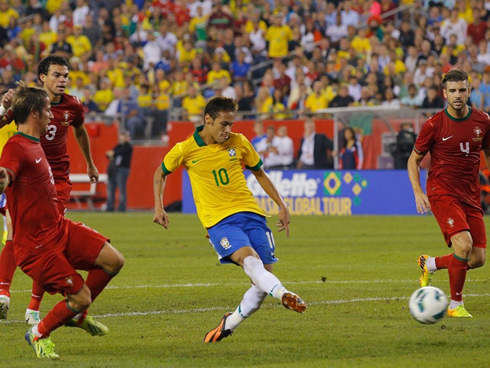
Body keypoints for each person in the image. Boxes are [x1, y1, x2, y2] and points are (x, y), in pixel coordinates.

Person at [153, 97, 306, 343]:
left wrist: (282, 204)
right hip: (220, 222)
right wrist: (159, 206)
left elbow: (260, 173)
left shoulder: (240, 142)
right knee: (251, 263)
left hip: (252, 215)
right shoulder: (186, 148)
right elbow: (160, 172)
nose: (228, 130)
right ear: (208, 120)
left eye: (231, 125)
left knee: (260, 281)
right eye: (224, 124)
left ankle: (229, 322)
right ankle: (284, 294)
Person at [0, 84, 124, 358]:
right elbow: (5, 175)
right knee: (81, 297)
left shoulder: (35, 143)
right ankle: (38, 332)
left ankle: (74, 313)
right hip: (36, 247)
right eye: (46, 111)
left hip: (58, 230)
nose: (51, 115)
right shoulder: (16, 147)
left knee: (114, 260)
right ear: (34, 114)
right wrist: (2, 178)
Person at [0, 55, 100, 325]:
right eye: (57, 74)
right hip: (25, 175)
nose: (63, 80)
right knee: (13, 229)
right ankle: (3, 293)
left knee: (48, 239)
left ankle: (33, 308)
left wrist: (90, 163)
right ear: (42, 77)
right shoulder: (29, 101)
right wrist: (3, 106)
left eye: (66, 75)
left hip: (56, 180)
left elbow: (80, 130)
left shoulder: (73, 106)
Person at [408, 69, 490, 318]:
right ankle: (455, 305)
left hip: (470, 194)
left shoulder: (483, 121)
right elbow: (413, 160)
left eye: (462, 90)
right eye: (452, 91)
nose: (457, 95)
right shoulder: (434, 125)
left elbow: (487, 152)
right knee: (463, 246)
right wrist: (418, 192)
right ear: (444, 94)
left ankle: (430, 263)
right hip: (442, 191)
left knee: (477, 259)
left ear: (469, 91)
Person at [106, 131, 133, 212]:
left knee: (122, 189)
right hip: (114, 169)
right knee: (111, 188)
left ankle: (121, 207)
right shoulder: (119, 146)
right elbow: (108, 154)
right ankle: (110, 207)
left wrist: (113, 154)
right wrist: (112, 154)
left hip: (123, 169)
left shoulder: (128, 147)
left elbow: (115, 153)